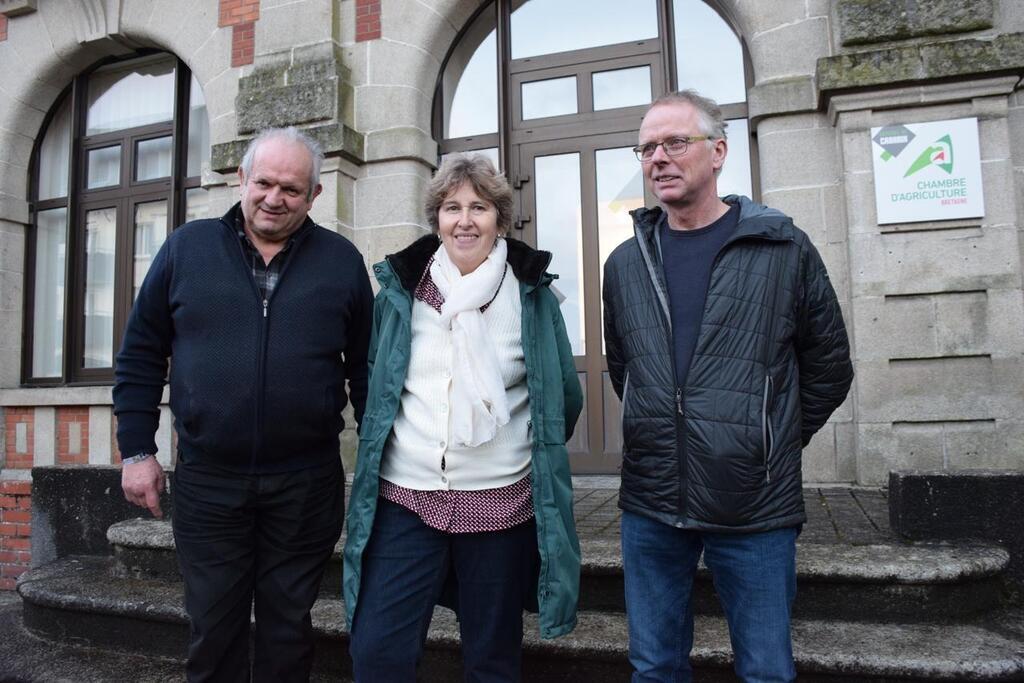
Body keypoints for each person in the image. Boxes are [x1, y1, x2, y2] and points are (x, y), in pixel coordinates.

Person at [602, 90, 854, 682]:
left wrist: (767, 438)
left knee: (766, 669)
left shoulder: (783, 246)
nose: (658, 158)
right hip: (652, 499)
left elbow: (830, 366)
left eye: (674, 143)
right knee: (654, 668)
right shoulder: (623, 263)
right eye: (646, 148)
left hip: (755, 506)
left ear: (718, 152)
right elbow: (626, 369)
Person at [114, 126, 373, 682]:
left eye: (292, 190)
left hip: (304, 483)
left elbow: (367, 372)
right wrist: (136, 449)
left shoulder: (342, 261)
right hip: (210, 481)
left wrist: (383, 460)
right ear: (242, 178)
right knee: (213, 628)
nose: (274, 199)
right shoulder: (187, 247)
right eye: (264, 183)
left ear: (314, 195)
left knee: (287, 629)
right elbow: (140, 354)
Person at [343, 153, 583, 682]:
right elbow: (378, 384)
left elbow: (562, 398)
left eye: (480, 207)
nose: (465, 220)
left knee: (491, 658)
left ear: (500, 217)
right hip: (407, 497)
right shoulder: (403, 291)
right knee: (377, 651)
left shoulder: (531, 295)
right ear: (437, 219)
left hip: (501, 502)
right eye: (452, 208)